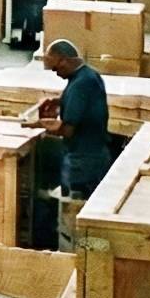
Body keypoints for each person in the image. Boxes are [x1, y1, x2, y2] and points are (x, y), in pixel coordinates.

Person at [27, 39, 112, 198]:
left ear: (64, 61)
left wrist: (42, 125)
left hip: (82, 162)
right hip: (96, 153)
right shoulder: (89, 75)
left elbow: (68, 130)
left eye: (55, 68)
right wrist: (58, 101)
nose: (56, 73)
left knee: (72, 207)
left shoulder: (79, 85)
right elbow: (86, 105)